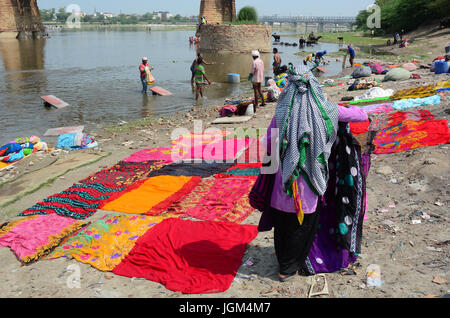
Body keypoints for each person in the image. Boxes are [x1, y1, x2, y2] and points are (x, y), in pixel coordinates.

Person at [249, 63, 369, 282]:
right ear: (314, 87)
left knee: (283, 225)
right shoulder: (327, 111)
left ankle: (283, 262)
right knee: (302, 226)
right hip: (311, 183)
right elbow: (361, 115)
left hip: (282, 183)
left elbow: (268, 142)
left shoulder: (281, 113)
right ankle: (288, 268)